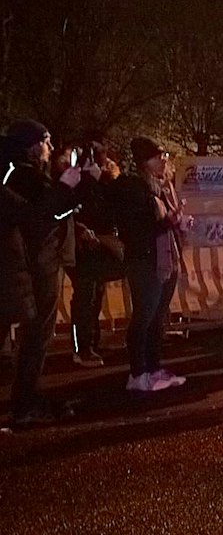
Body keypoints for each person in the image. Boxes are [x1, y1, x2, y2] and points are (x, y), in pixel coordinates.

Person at [1, 121, 86, 426]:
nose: (50, 150)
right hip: (31, 266)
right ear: (33, 144)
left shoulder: (24, 173)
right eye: (47, 142)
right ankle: (25, 402)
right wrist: (66, 189)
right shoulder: (19, 174)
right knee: (35, 335)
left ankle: (28, 398)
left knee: (36, 336)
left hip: (35, 263)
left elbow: (53, 213)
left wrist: (67, 193)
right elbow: (40, 219)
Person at [111, 137, 189, 393]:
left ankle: (154, 368)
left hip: (166, 258)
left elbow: (166, 221)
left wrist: (179, 222)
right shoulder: (133, 188)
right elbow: (137, 228)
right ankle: (138, 372)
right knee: (144, 317)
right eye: (158, 156)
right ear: (144, 161)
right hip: (145, 260)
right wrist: (169, 221)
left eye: (165, 155)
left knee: (158, 318)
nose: (164, 160)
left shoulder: (164, 188)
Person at [64, 143, 122, 367]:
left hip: (95, 247)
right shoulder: (76, 181)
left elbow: (108, 208)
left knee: (94, 296)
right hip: (82, 249)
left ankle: (91, 344)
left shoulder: (100, 181)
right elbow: (72, 209)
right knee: (84, 298)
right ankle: (82, 349)